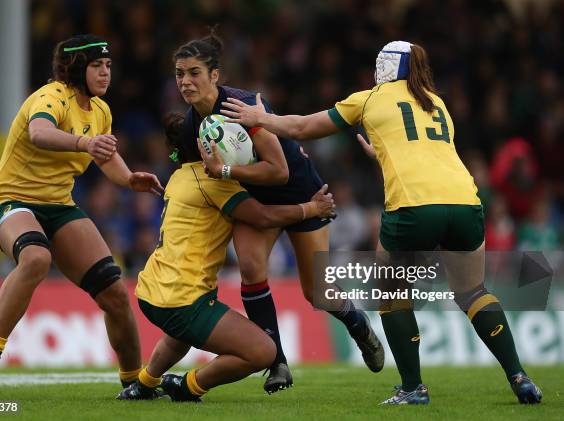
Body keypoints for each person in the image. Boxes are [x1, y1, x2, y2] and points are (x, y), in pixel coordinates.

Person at [221, 41, 542, 405]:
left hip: (413, 206)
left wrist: (261, 119)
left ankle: (412, 388)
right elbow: (426, 150)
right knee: (473, 292)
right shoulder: (437, 103)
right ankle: (519, 376)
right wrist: (384, 151)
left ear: (387, 67)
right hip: (466, 202)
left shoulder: (370, 98)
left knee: (392, 295)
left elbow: (302, 127)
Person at [169, 31, 384, 393]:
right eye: (179, 74)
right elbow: (197, 176)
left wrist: (226, 171)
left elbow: (279, 170)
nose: (185, 82)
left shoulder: (241, 107)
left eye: (194, 73)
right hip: (256, 201)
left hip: (301, 190)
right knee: (251, 269)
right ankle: (278, 363)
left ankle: (356, 322)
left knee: (315, 291)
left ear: (215, 75)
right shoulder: (192, 126)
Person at [0, 34, 163, 390]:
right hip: (12, 201)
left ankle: (136, 385)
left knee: (115, 293)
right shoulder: (50, 96)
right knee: (36, 258)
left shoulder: (100, 110)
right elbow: (40, 133)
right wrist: (86, 143)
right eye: (97, 66)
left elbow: (106, 155)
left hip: (59, 206)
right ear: (76, 68)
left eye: (108, 66)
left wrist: (130, 179)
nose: (105, 73)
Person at [117, 113, 335, 401]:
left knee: (181, 332)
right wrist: (310, 208)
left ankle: (144, 384)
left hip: (152, 290)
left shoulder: (181, 175)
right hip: (183, 298)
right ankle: (188, 386)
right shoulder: (215, 182)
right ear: (204, 145)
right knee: (262, 352)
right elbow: (262, 216)